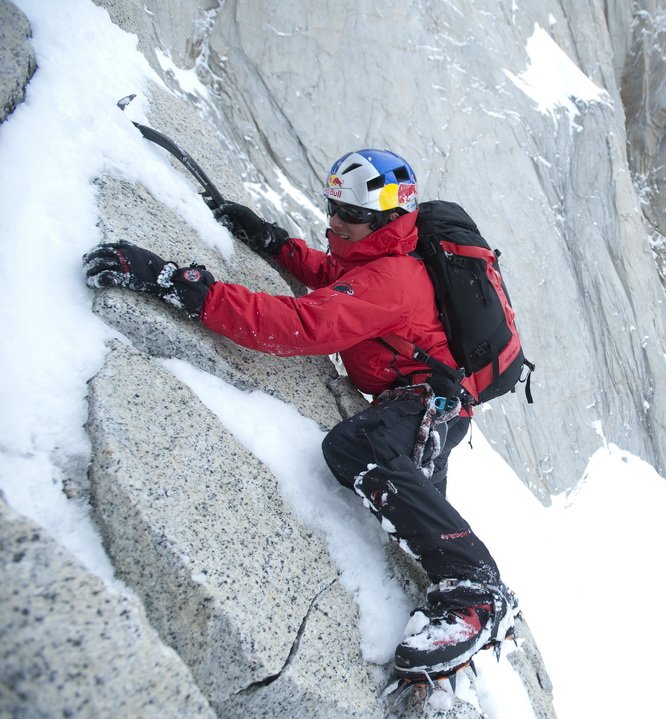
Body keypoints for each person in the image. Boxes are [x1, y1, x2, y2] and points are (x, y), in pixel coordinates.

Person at [83, 149, 516, 679]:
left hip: (428, 404)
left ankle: (477, 594)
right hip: (427, 402)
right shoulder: (379, 254)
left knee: (358, 448)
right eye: (333, 206)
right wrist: (272, 241)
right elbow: (335, 275)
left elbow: (299, 326)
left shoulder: (394, 280)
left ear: (384, 219)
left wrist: (181, 285)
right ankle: (453, 650)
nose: (334, 221)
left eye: (349, 215)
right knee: (419, 522)